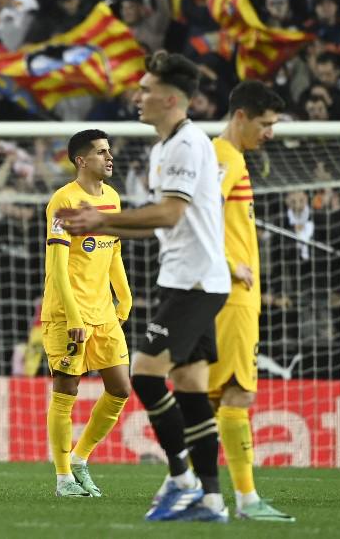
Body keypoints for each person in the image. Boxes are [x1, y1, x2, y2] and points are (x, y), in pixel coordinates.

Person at [59, 52, 231, 522]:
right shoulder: (163, 148)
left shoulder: (187, 145)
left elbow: (170, 213)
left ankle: (181, 478)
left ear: (171, 98)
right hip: (184, 278)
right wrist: (101, 226)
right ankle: (210, 499)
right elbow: (161, 225)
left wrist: (103, 218)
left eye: (146, 89)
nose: (138, 96)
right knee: (191, 388)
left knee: (148, 375)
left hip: (194, 281)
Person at [210, 82, 295, 521]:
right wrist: (228, 262)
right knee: (237, 393)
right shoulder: (226, 156)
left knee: (207, 398)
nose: (271, 133)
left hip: (222, 296)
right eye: (266, 124)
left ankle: (190, 490)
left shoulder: (223, 155)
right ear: (241, 116)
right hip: (234, 298)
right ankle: (245, 499)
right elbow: (199, 211)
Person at [42, 129, 132, 498]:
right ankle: (63, 478)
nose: (109, 158)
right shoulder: (63, 202)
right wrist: (75, 317)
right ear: (81, 160)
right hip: (69, 314)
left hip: (104, 312)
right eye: (100, 152)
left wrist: (124, 296)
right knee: (67, 389)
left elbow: (113, 253)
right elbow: (58, 267)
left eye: (109, 151)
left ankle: (81, 458)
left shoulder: (112, 197)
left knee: (120, 389)